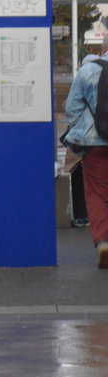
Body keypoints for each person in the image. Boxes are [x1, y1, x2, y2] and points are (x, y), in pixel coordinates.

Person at [63, 37, 108, 267]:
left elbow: (71, 108)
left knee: (98, 194)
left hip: (95, 144)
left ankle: (103, 241)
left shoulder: (88, 70)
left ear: (103, 48)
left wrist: (87, 126)